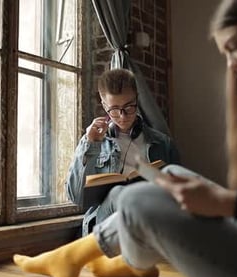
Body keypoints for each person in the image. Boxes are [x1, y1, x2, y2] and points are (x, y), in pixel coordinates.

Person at [13, 0, 237, 277]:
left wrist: (225, 203)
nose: (232, 64)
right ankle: (102, 260)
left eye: (234, 47)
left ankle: (122, 263)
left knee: (134, 200)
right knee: (170, 180)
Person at [65, 68, 180, 229]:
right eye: (114, 110)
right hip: (108, 222)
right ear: (105, 107)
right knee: (117, 193)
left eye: (129, 107)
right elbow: (76, 198)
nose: (123, 116)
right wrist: (90, 145)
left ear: (137, 100)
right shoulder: (95, 142)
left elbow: (178, 194)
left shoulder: (163, 144)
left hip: (151, 215)